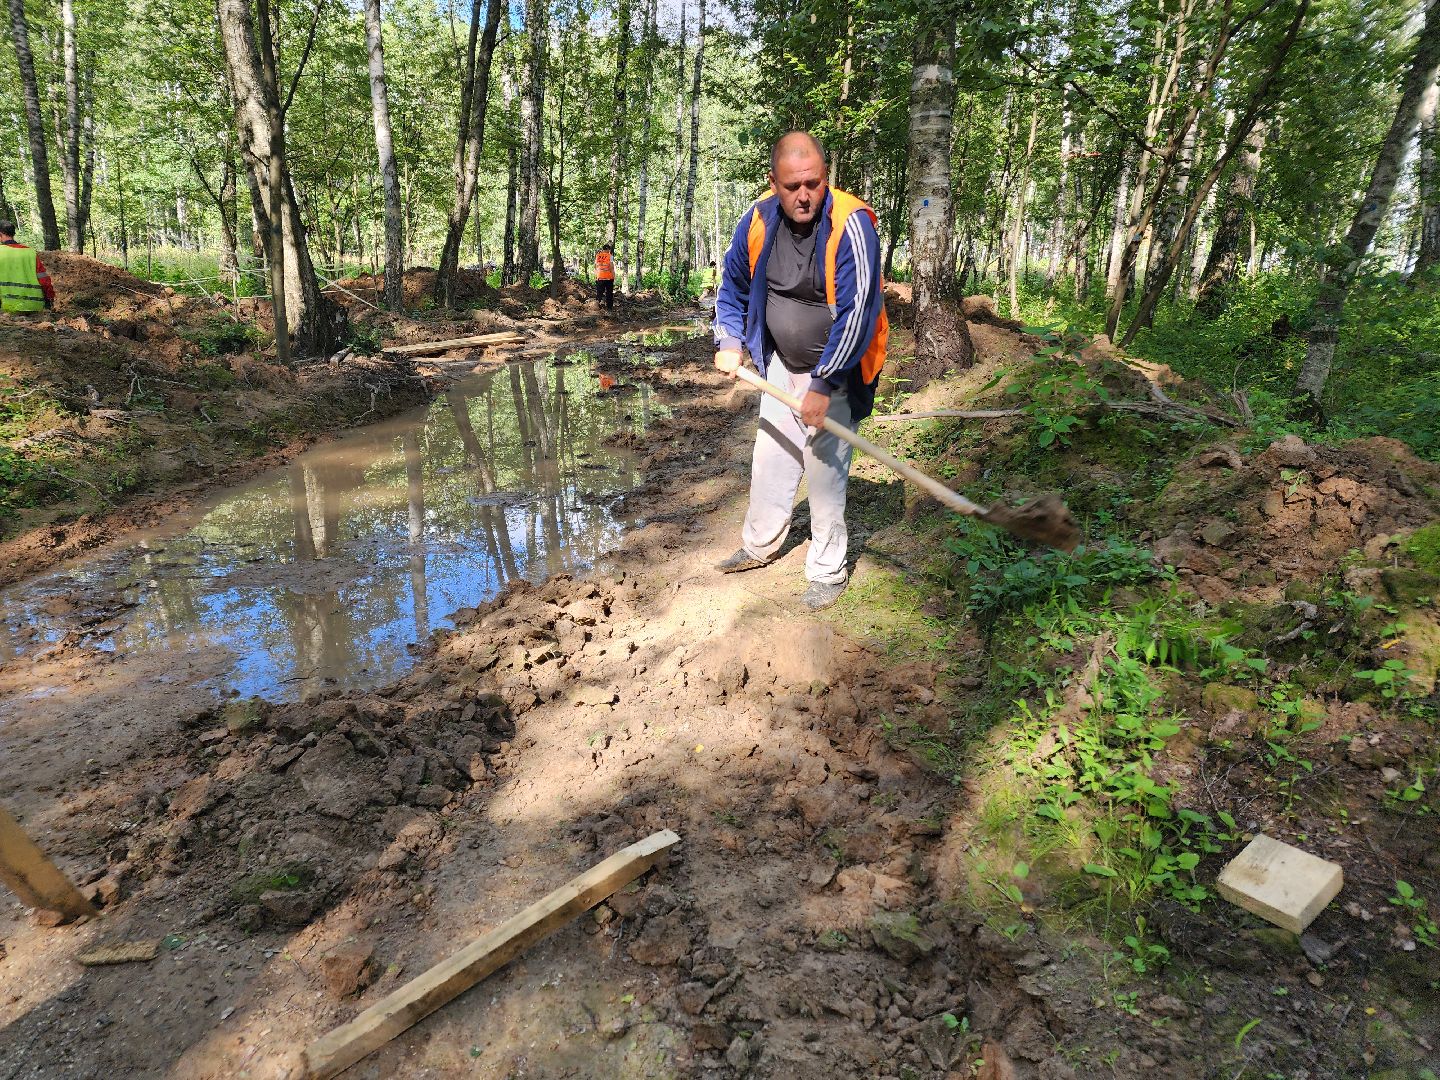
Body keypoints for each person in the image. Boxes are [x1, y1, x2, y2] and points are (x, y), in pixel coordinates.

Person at [711, 132, 888, 611]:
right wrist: (729, 340)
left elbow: (859, 314)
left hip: (837, 368)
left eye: (813, 182)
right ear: (774, 183)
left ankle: (828, 570)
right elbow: (732, 288)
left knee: (825, 474)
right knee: (771, 458)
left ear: (826, 178)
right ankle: (760, 545)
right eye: (793, 186)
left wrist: (824, 385)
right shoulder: (758, 219)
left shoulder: (851, 225)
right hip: (778, 365)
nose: (804, 195)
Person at [0, 219, 55, 313]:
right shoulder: (30, 252)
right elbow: (43, 280)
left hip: (6, 308)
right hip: (35, 307)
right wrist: (49, 298)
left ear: (0, 234)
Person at [595, 242, 616, 311]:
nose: (609, 251)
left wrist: (596, 276)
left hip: (600, 277)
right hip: (608, 277)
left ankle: (597, 307)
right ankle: (609, 307)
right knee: (609, 293)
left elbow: (596, 266)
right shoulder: (610, 256)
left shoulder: (598, 255)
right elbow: (611, 267)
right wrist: (613, 276)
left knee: (599, 293)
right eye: (609, 250)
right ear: (607, 249)